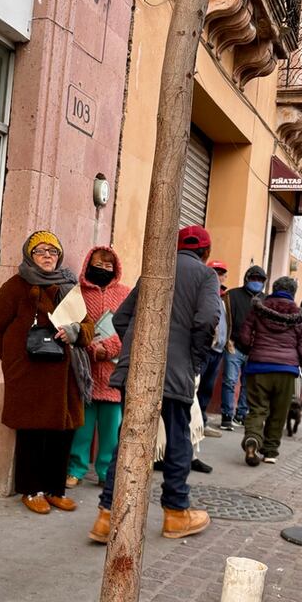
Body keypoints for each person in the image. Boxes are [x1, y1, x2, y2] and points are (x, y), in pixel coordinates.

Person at [89, 226, 220, 542]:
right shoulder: (205, 276)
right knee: (177, 440)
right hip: (174, 372)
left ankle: (106, 517)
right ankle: (176, 513)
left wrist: (136, 348)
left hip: (135, 369)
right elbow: (207, 320)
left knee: (129, 439)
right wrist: (193, 359)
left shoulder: (153, 272)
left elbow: (121, 319)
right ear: (205, 253)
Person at [0, 231, 94, 514]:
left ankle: (55, 489)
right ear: (29, 256)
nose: (47, 256)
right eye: (41, 251)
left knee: (61, 434)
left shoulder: (68, 285)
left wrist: (76, 332)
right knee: (33, 435)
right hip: (30, 377)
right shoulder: (17, 286)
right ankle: (31, 490)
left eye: (53, 252)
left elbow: (89, 327)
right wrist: (14, 361)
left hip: (65, 377)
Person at [66, 246, 130, 488]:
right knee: (82, 429)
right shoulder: (76, 294)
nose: (102, 270)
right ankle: (76, 469)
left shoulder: (126, 293)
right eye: (98, 265)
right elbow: (71, 326)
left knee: (111, 431)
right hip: (86, 373)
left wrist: (110, 347)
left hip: (114, 375)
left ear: (116, 269)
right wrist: (93, 347)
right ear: (87, 265)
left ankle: (106, 472)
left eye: (108, 266)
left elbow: (131, 325)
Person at [236, 277, 302, 466]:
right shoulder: (300, 316)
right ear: (293, 293)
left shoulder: (258, 309)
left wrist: (253, 352)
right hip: (286, 371)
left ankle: (253, 439)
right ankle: (270, 451)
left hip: (258, 367)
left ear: (273, 289)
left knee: (257, 409)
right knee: (279, 412)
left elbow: (245, 338)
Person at [220, 266, 267, 430]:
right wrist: (228, 341)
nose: (257, 282)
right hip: (234, 345)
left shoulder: (265, 300)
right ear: (247, 278)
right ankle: (227, 415)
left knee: (248, 384)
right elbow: (225, 319)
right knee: (229, 381)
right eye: (254, 278)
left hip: (255, 349)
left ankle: (241, 415)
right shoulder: (232, 295)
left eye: (260, 280)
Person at [197, 260, 229, 432]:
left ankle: (202, 420)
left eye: (222, 272)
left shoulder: (223, 297)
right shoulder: (203, 292)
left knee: (207, 388)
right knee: (198, 386)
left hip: (218, 350)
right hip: (205, 349)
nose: (219, 276)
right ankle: (194, 422)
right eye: (216, 271)